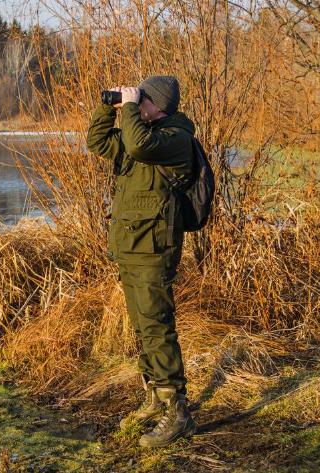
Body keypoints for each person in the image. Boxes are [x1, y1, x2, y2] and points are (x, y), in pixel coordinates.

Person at [86, 75, 197, 447]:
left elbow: (137, 144)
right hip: (131, 247)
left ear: (159, 105)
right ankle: (153, 398)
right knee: (141, 327)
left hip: (154, 249)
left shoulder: (174, 138)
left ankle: (177, 412)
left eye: (143, 99)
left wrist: (130, 108)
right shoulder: (141, 134)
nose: (136, 104)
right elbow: (98, 141)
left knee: (157, 327)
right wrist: (109, 107)